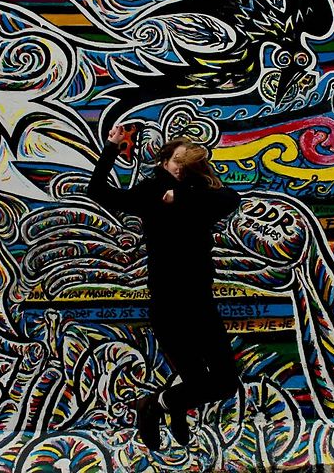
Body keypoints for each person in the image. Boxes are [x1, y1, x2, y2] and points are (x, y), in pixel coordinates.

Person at [87, 125, 242, 450]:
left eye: (187, 164)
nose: (181, 169)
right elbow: (98, 192)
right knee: (199, 380)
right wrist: (112, 148)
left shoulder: (197, 194)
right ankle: (162, 407)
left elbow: (232, 198)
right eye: (176, 162)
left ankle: (160, 404)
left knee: (226, 383)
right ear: (164, 161)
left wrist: (182, 195)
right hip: (169, 305)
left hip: (200, 302)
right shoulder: (150, 191)